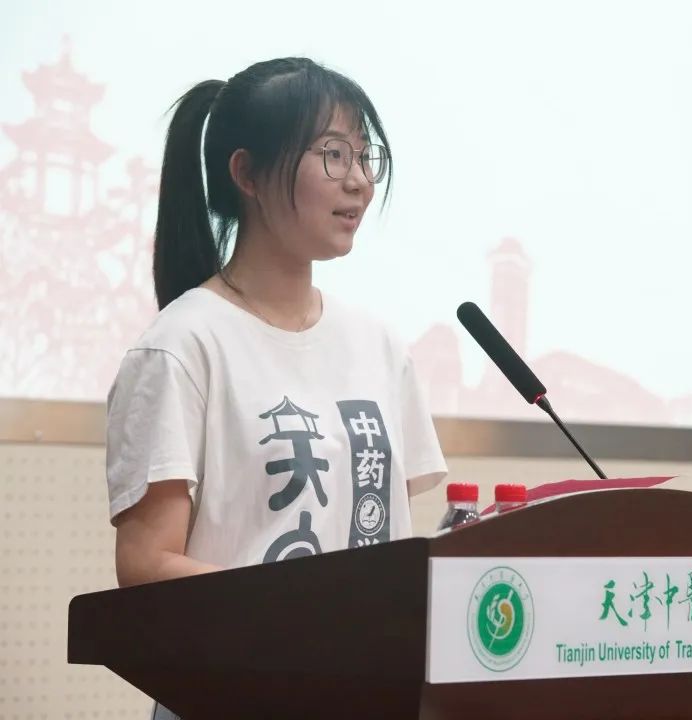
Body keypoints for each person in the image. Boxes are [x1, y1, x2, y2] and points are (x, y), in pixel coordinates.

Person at [104, 57, 447, 719]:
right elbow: (145, 565)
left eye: (364, 154)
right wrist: (303, 609)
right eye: (332, 154)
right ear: (247, 174)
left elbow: (382, 538)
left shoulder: (378, 344)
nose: (359, 180)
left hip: (368, 694)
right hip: (234, 695)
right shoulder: (182, 346)